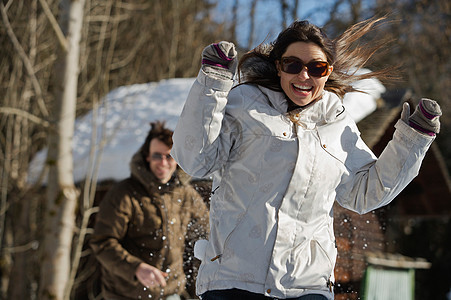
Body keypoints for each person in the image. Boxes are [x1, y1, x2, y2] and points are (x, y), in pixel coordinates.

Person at [171, 17, 441, 300]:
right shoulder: (245, 104)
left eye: (316, 67)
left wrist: (412, 141)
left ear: (328, 72)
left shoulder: (337, 122)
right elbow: (196, 159)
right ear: (278, 66)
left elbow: (365, 193)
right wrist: (212, 83)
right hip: (235, 280)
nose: (304, 76)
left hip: (306, 285)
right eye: (293, 65)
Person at [90, 121, 209, 300]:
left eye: (168, 156)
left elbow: (207, 232)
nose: (163, 163)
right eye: (156, 156)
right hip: (127, 294)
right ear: (147, 156)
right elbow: (102, 243)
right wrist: (136, 268)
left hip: (171, 292)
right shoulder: (124, 194)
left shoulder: (187, 195)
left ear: (177, 159)